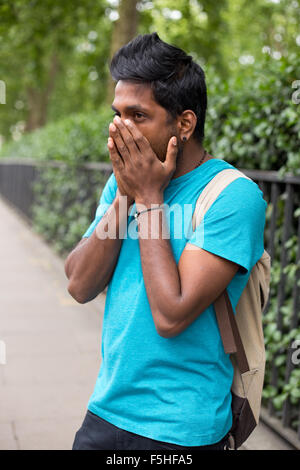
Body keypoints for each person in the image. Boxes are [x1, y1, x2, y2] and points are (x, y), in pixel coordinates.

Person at [65, 33, 267, 451]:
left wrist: (150, 197)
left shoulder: (232, 196)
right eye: (117, 114)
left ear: (184, 123)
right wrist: (126, 194)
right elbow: (79, 285)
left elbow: (171, 316)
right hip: (106, 410)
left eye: (137, 116)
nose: (120, 129)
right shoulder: (122, 184)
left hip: (181, 430)